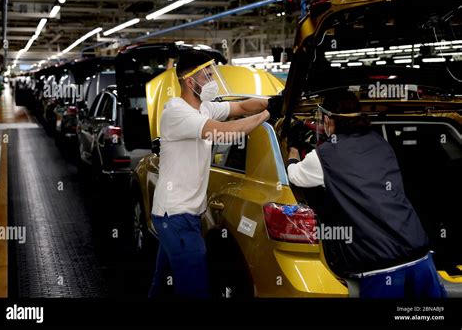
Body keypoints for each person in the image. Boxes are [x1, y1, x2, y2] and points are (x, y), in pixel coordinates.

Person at [286, 90, 446, 298]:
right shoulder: (381, 143)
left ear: (326, 119)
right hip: (419, 255)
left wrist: (293, 150)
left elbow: (294, 176)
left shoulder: (322, 157)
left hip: (379, 265)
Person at [149, 50, 274, 298]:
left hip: (179, 215)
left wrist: (270, 102)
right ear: (190, 81)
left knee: (163, 285)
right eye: (207, 75)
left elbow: (238, 106)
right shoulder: (176, 112)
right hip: (177, 215)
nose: (212, 80)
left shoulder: (203, 108)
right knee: (195, 290)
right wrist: (266, 116)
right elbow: (222, 132)